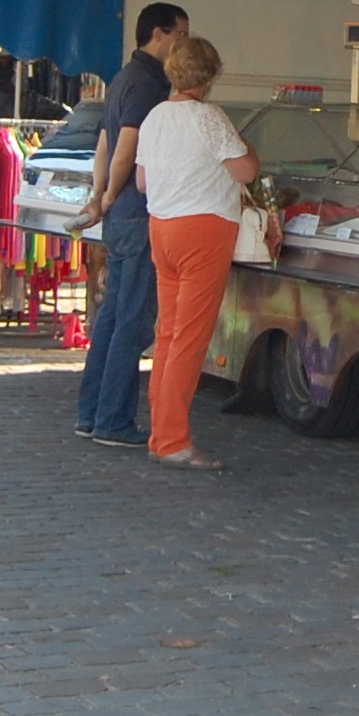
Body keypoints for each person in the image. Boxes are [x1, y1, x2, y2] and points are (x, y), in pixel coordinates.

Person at [133, 35, 256, 472]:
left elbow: (143, 182)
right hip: (204, 230)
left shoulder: (154, 118)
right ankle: (173, 441)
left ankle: (159, 432)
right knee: (190, 337)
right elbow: (246, 169)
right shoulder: (210, 118)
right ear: (209, 76)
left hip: (162, 228)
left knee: (168, 333)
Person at [71, 3, 191, 448]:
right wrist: (107, 193)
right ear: (159, 34)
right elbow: (126, 146)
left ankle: (91, 414)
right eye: (181, 34)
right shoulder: (146, 83)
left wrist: (101, 195)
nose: (184, 42)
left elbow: (104, 144)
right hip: (139, 214)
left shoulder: (122, 78)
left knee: (111, 319)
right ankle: (113, 420)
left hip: (120, 215)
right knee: (132, 323)